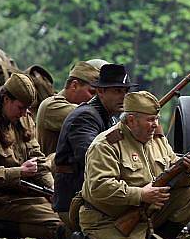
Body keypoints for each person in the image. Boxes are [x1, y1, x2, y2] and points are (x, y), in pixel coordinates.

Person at [69, 91, 190, 239]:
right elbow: (100, 187)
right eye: (150, 120)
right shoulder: (106, 145)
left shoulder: (157, 141)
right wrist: (140, 194)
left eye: (156, 119)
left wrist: (188, 171)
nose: (155, 125)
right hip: (106, 219)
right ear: (131, 120)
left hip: (144, 214)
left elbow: (176, 180)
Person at [0, 73, 61, 239]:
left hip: (24, 194)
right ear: (6, 100)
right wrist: (19, 172)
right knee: (58, 226)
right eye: (20, 107)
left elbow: (38, 160)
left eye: (27, 108)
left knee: (66, 216)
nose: (25, 113)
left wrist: (52, 191)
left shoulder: (23, 119)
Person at [53, 63, 134, 229]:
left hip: (93, 197)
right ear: (101, 91)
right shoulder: (86, 117)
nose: (123, 97)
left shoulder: (109, 117)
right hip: (76, 203)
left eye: (126, 91)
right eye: (117, 91)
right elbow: (93, 160)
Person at [36, 60, 106, 157]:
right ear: (74, 85)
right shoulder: (52, 106)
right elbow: (89, 116)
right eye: (92, 92)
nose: (96, 99)